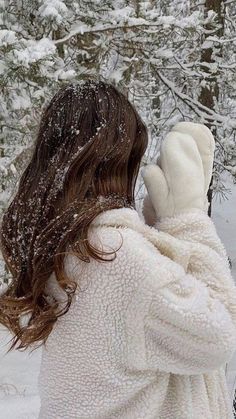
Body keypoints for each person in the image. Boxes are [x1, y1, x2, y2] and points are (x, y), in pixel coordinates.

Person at [0, 80, 236, 419]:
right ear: (117, 160)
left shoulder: (66, 250)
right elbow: (217, 335)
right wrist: (189, 222)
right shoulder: (116, 256)